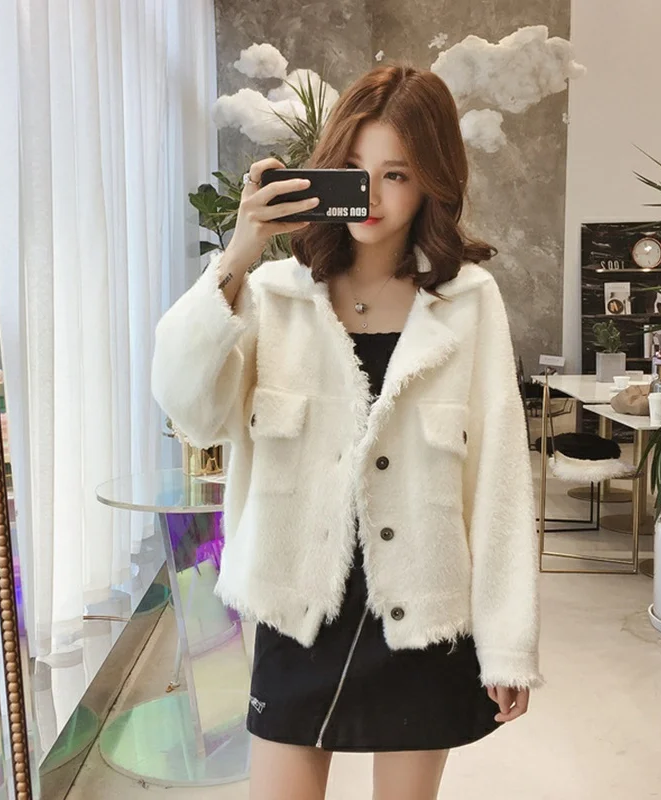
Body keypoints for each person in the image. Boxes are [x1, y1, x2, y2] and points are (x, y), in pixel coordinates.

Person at [151, 63, 543, 800]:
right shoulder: (274, 296)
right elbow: (187, 407)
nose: (373, 195)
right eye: (356, 172)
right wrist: (240, 251)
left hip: (422, 618)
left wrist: (507, 642)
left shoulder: (468, 301)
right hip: (299, 611)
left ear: (432, 181)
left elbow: (498, 480)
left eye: (397, 174)